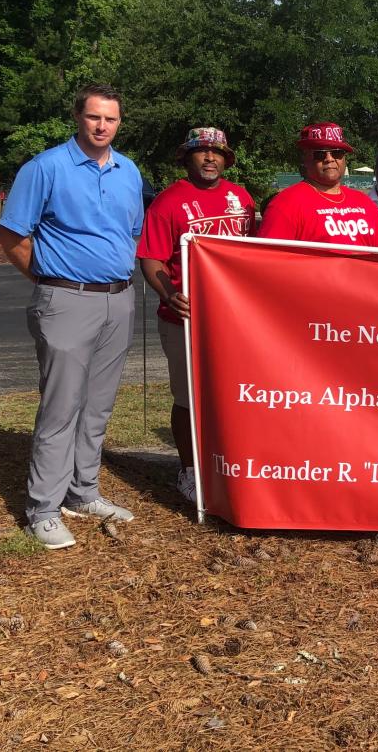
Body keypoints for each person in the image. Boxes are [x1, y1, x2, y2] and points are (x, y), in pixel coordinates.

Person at [0, 85, 143, 550]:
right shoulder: (46, 168)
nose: (103, 126)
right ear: (77, 117)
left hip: (117, 299)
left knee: (97, 406)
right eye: (94, 117)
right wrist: (47, 280)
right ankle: (42, 507)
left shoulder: (129, 171)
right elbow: (11, 233)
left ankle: (83, 491)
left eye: (111, 119)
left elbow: (131, 231)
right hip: (65, 299)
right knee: (61, 408)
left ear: (119, 123)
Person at [136, 128, 256, 503]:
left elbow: (258, 252)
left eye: (217, 152)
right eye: (201, 151)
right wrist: (170, 294)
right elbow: (149, 256)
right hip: (185, 319)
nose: (209, 158)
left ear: (226, 159)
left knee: (235, 395)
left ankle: (230, 463)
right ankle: (189, 471)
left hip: (234, 318)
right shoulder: (169, 201)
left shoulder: (242, 198)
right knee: (188, 397)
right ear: (186, 158)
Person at [258, 123, 378, 248]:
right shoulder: (285, 204)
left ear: (344, 159)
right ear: (305, 159)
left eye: (337, 153)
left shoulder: (364, 202)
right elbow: (268, 263)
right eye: (320, 154)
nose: (329, 159)